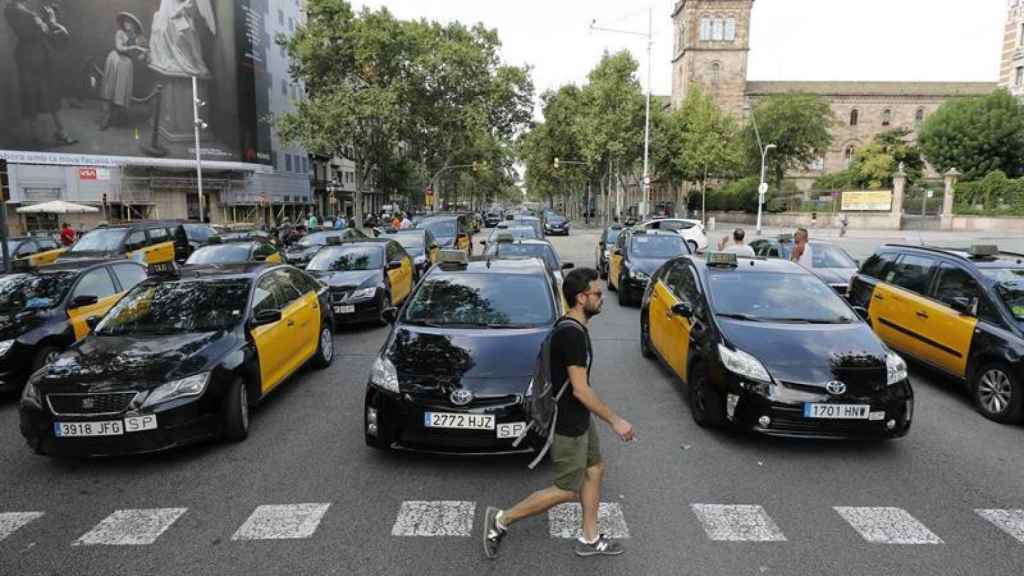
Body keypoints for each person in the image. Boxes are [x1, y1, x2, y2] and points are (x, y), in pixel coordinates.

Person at [483, 268, 636, 560]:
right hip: (567, 422)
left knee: (595, 470)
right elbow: (579, 389)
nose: (602, 298)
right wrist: (616, 420)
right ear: (581, 298)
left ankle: (589, 538)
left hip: (580, 417)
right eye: (597, 293)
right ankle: (502, 519)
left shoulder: (571, 326)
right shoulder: (572, 335)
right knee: (567, 489)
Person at [4, 0, 77, 146]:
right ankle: (39, 135)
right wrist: (48, 22)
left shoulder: (21, 10)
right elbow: (33, 32)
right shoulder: (14, 10)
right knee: (32, 95)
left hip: (37, 56)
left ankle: (57, 132)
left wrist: (49, 21)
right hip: (30, 58)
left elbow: (44, 31)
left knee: (46, 94)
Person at [100, 12, 148, 130]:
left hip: (126, 63)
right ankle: (106, 117)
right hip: (116, 60)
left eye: (130, 22)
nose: (127, 24)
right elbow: (119, 48)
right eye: (125, 22)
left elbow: (142, 55)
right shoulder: (120, 33)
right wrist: (135, 48)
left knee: (120, 90)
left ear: (134, 25)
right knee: (110, 88)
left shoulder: (138, 38)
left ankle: (118, 116)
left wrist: (144, 54)